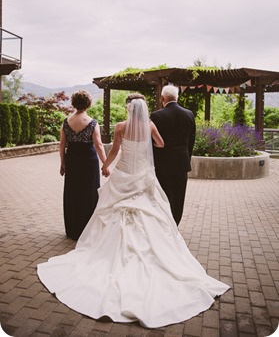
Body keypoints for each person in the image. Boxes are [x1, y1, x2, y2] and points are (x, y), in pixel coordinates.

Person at [37, 93, 229, 328]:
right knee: (153, 209)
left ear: (129, 109)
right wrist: (148, 146)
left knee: (110, 209)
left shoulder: (120, 126)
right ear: (144, 110)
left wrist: (106, 166)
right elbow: (160, 144)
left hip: (125, 174)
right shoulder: (150, 125)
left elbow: (115, 150)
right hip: (143, 174)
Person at [60, 90, 107, 241]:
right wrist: (105, 164)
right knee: (89, 192)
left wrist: (62, 163)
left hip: (72, 159)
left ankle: (73, 229)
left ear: (74, 103)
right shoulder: (92, 122)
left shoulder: (66, 122)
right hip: (88, 161)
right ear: (88, 103)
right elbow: (98, 145)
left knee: (73, 192)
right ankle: (87, 229)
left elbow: (62, 145)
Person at [150, 85, 196, 225]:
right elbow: (191, 140)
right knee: (179, 196)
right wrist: (187, 157)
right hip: (182, 162)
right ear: (177, 97)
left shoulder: (157, 116)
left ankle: (165, 225)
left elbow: (152, 142)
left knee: (164, 196)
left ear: (162, 98)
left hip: (162, 163)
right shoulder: (189, 114)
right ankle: (175, 224)